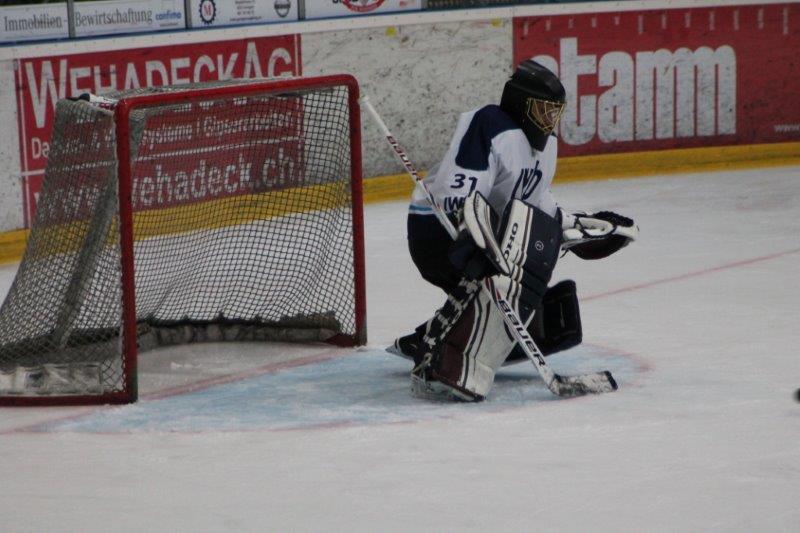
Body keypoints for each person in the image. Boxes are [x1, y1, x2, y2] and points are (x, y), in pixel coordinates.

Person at [389, 60, 638, 401]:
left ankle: (436, 337)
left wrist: (576, 227)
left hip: (486, 232)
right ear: (520, 103)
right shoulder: (491, 124)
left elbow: (536, 206)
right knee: (515, 255)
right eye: (542, 110)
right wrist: (475, 231)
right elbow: (455, 195)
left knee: (537, 242)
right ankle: (455, 360)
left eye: (555, 112)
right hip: (438, 230)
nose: (549, 120)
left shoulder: (546, 147)